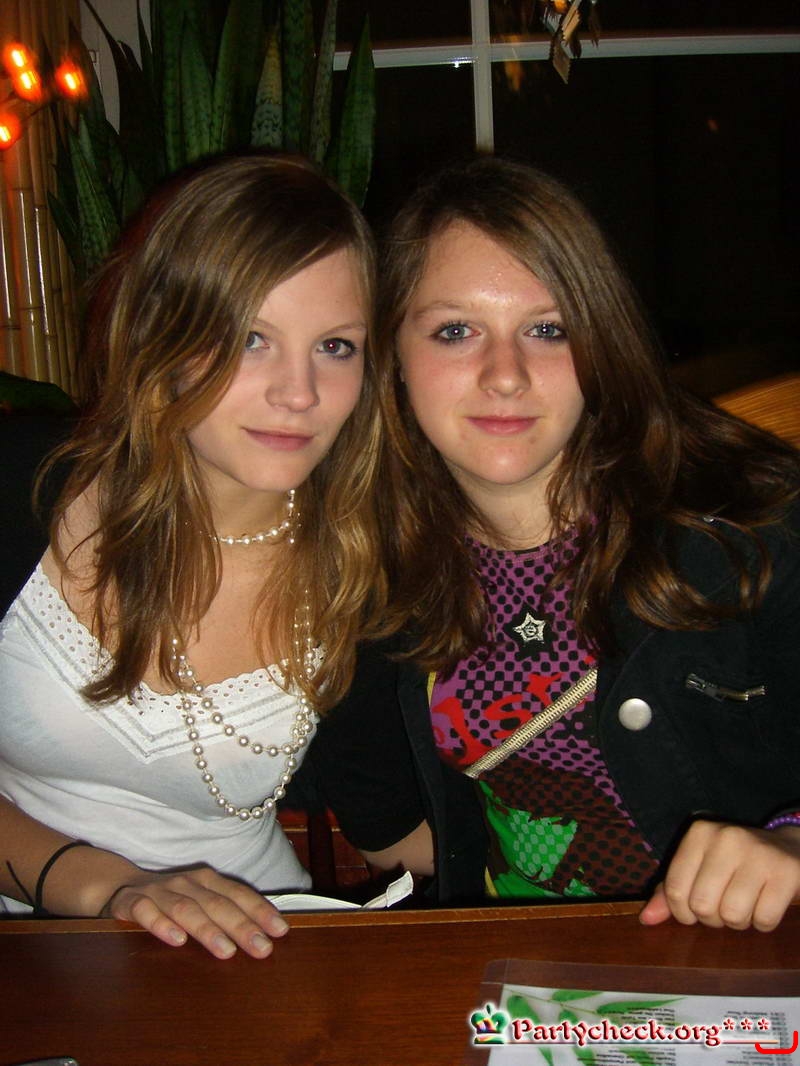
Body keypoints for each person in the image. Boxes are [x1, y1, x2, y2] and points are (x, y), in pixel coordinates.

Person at [295, 155, 800, 933]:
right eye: (455, 331)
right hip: (516, 975)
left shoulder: (752, 531)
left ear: (602, 342)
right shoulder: (369, 568)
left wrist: (791, 841)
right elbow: (381, 816)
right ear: (392, 356)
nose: (505, 375)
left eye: (548, 329)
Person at [0, 151, 383, 958]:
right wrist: (100, 886)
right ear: (162, 335)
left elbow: (401, 820)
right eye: (251, 338)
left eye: (336, 346)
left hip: (249, 945)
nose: (300, 393)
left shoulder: (362, 573)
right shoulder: (18, 489)